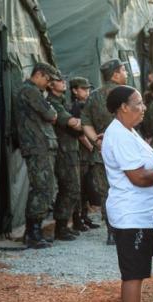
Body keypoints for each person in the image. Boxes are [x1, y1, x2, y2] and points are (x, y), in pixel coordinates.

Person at [100, 85, 153, 302]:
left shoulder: (128, 131)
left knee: (138, 273)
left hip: (141, 213)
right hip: (132, 215)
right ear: (123, 107)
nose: (143, 107)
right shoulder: (119, 135)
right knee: (133, 275)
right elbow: (137, 177)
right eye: (138, 103)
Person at [81, 58, 129, 245]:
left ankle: (112, 232)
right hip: (125, 152)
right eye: (123, 70)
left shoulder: (93, 96)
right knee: (126, 190)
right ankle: (126, 229)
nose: (126, 73)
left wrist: (96, 142)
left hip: (102, 154)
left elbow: (85, 122)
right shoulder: (128, 94)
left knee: (107, 193)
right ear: (115, 74)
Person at [15, 62, 60, 249]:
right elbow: (51, 114)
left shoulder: (34, 91)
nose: (49, 85)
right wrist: (51, 110)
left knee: (45, 187)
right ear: (39, 74)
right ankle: (33, 233)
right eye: (48, 80)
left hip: (41, 145)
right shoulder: (30, 91)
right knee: (42, 188)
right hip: (36, 146)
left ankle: (34, 231)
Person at [47, 75, 84, 241]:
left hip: (70, 150)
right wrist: (79, 122)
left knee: (72, 188)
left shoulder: (62, 102)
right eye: (59, 80)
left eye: (64, 80)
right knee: (69, 187)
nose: (63, 82)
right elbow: (71, 122)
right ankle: (60, 227)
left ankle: (63, 225)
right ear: (50, 84)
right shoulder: (53, 102)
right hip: (63, 151)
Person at [69, 77, 100, 232]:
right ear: (74, 90)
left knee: (87, 186)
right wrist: (91, 147)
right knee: (80, 187)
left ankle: (84, 217)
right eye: (83, 89)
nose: (87, 92)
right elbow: (80, 134)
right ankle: (77, 219)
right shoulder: (75, 107)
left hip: (87, 153)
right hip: (81, 152)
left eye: (88, 89)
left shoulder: (85, 105)